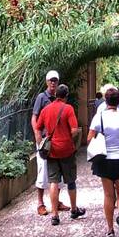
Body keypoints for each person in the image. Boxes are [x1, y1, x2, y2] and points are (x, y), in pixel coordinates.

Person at [87, 85, 119, 237]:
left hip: (104, 160)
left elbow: (89, 138)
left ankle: (110, 229)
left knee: (108, 195)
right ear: (118, 100)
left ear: (106, 101)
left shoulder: (99, 117)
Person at [36, 84, 86, 224]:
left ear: (55, 95)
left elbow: (38, 127)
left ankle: (55, 215)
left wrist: (41, 142)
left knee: (53, 182)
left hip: (51, 151)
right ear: (66, 95)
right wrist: (68, 138)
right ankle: (74, 209)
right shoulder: (68, 108)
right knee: (70, 180)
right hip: (67, 150)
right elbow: (75, 129)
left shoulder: (46, 110)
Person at [31, 69, 60, 216]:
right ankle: (40, 203)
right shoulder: (42, 97)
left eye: (55, 80)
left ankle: (56, 201)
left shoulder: (59, 97)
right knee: (42, 171)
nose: (53, 82)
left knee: (56, 171)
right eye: (51, 80)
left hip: (56, 139)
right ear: (47, 82)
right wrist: (37, 135)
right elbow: (34, 118)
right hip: (44, 140)